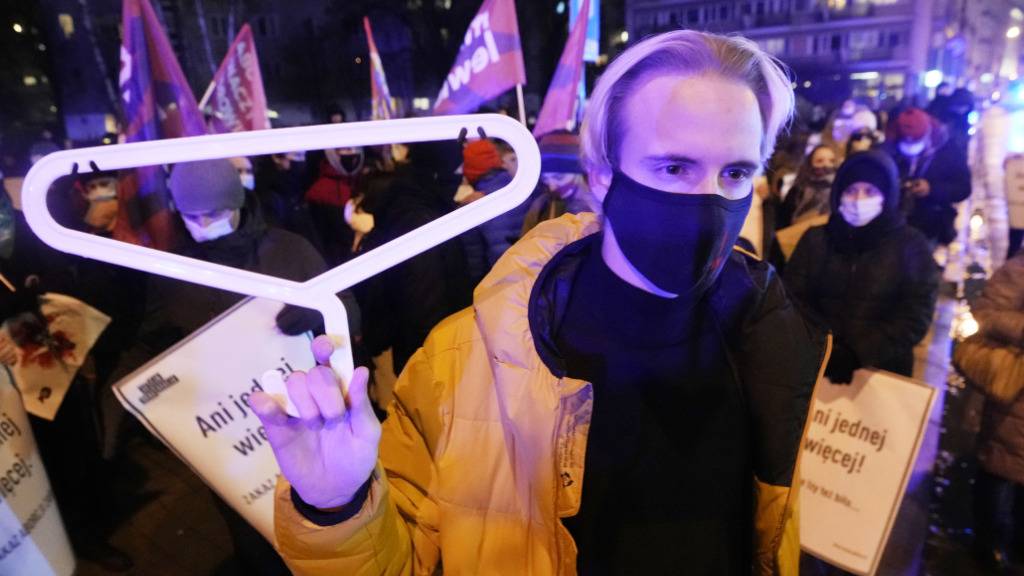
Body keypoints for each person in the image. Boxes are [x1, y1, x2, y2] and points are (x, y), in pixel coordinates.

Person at [251, 30, 828, 575]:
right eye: (674, 167)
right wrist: (338, 506)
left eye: (736, 172)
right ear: (601, 176)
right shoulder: (462, 363)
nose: (709, 200)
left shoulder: (772, 346)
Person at [784, 151, 939, 383]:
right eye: (851, 191)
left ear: (887, 195)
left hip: (880, 373)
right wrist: (823, 348)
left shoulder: (911, 245)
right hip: (815, 364)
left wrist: (857, 353)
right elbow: (792, 299)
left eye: (870, 192)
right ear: (838, 194)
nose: (859, 199)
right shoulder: (816, 239)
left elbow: (915, 314)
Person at [952, 253, 1024, 571]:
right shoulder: (1020, 269)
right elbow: (986, 312)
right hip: (1015, 397)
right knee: (999, 469)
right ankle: (986, 546)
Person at [885, 107, 971, 247]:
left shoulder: (949, 150)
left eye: (915, 143)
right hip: (895, 225)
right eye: (906, 143)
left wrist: (932, 189)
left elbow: (963, 188)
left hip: (931, 227)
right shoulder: (892, 143)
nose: (910, 147)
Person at [521, 130, 595, 235]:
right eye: (545, 179)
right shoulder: (541, 206)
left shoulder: (600, 206)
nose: (552, 187)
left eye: (558, 177)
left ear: (578, 171)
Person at [777, 144, 838, 228]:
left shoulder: (839, 191)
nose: (826, 165)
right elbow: (783, 220)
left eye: (832, 161)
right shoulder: (798, 190)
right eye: (820, 161)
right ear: (810, 164)